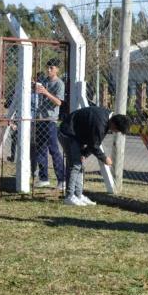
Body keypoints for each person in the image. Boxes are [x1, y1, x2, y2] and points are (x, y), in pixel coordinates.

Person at [58, 107, 129, 206]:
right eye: (117, 130)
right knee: (75, 165)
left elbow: (94, 141)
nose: (115, 132)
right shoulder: (100, 124)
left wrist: (84, 154)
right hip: (67, 133)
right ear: (113, 124)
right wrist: (104, 158)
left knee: (79, 165)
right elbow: (94, 145)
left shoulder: (107, 118)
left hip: (75, 135)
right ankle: (69, 196)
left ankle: (78, 195)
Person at [34, 59, 66, 190]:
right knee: (40, 149)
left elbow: (59, 102)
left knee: (54, 150)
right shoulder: (45, 81)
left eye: (51, 68)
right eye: (47, 68)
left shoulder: (59, 84)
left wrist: (46, 92)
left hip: (50, 120)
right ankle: (43, 178)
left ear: (57, 69)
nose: (48, 70)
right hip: (40, 119)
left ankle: (62, 179)